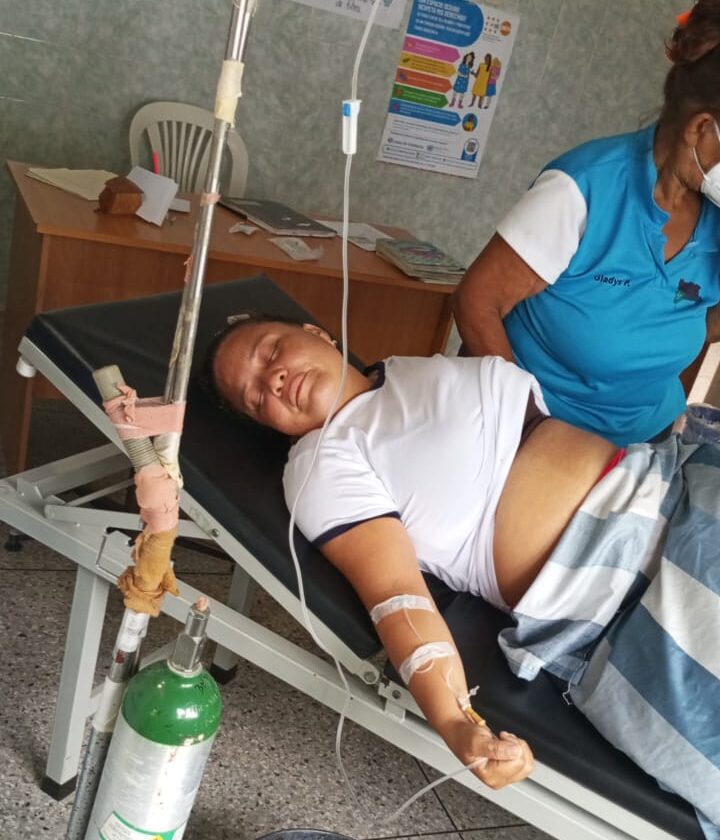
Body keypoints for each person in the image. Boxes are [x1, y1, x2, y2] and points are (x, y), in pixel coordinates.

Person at [206, 315, 720, 831]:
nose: (273, 380)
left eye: (271, 351)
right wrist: (457, 724)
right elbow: (396, 596)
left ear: (317, 333)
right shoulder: (322, 464)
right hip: (621, 603)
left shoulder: (405, 370)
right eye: (256, 397)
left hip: (677, 485)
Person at [453, 2, 720, 447]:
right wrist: (523, 423)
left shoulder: (714, 216)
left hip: (643, 439)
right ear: (701, 129)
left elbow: (704, 318)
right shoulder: (584, 189)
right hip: (536, 428)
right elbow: (476, 301)